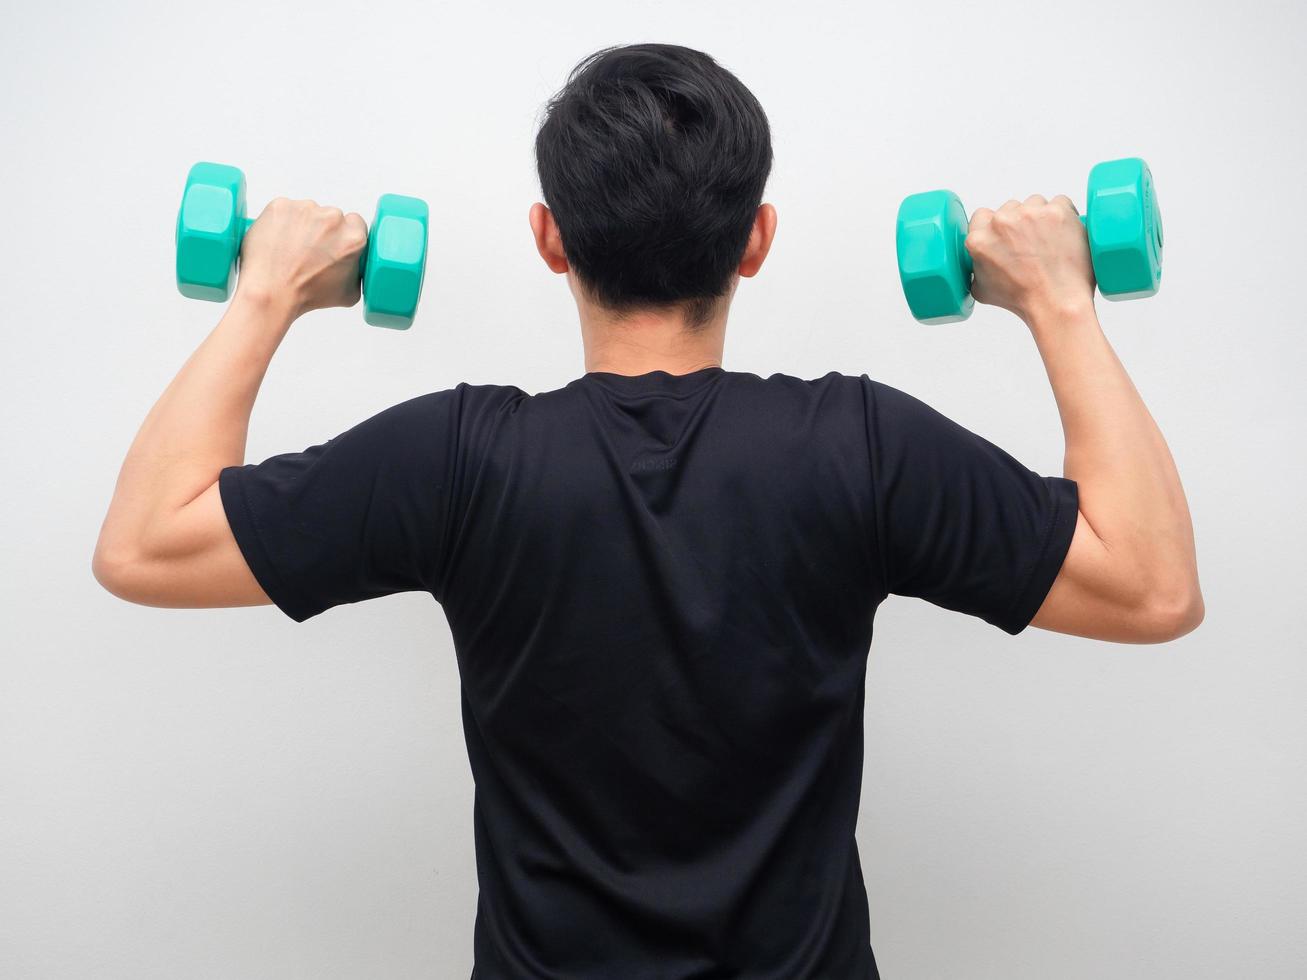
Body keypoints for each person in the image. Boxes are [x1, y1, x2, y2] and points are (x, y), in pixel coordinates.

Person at [92, 42, 1201, 980]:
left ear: (550, 240)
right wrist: (1059, 301)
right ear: (755, 240)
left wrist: (267, 293)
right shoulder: (859, 445)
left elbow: (145, 543)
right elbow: (1148, 587)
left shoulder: (456, 457)